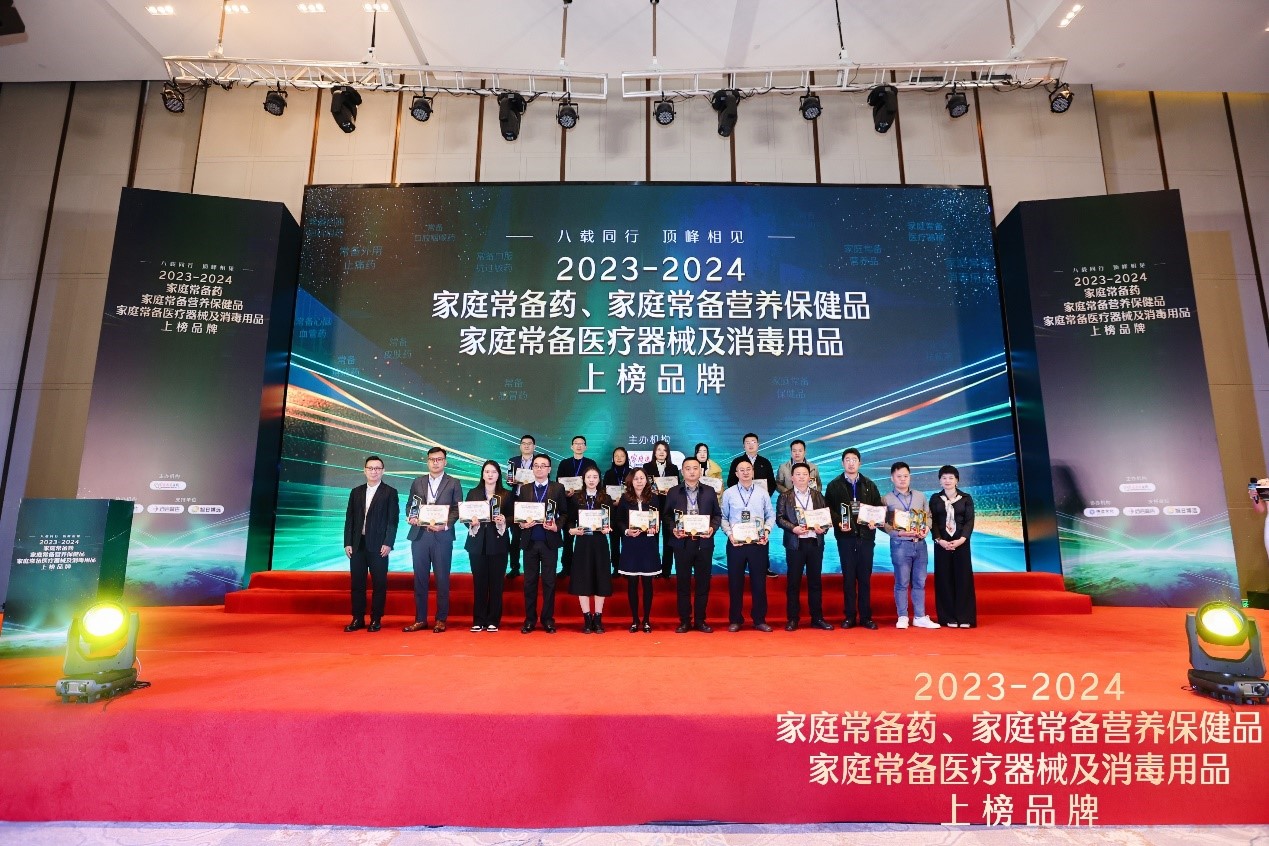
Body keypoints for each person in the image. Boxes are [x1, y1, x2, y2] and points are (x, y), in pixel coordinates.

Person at [824, 448, 884, 629]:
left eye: (854, 459)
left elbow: (878, 507)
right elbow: (828, 509)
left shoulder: (869, 484)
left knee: (865, 579)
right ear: (842, 463)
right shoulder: (834, 485)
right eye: (847, 460)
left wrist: (876, 521)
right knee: (849, 578)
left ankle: (866, 617)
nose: (851, 463)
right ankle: (849, 616)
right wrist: (838, 522)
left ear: (860, 463)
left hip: (866, 537)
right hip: (845, 538)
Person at [404, 447, 462, 633]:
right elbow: (411, 505)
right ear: (427, 461)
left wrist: (445, 525)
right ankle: (420, 619)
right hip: (420, 536)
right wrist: (412, 516)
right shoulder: (418, 482)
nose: (435, 462)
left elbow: (457, 508)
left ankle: (441, 619)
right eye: (432, 459)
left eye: (439, 459)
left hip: (442, 536)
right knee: (420, 579)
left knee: (442, 579)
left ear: (445, 461)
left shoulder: (454, 483)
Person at [342, 455, 399, 632]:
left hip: (379, 545)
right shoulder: (356, 492)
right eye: (370, 468)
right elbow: (349, 519)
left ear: (383, 471)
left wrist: (388, 543)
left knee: (379, 584)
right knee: (357, 584)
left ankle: (376, 619)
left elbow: (392, 521)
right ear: (364, 470)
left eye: (377, 468)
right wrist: (347, 542)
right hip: (357, 544)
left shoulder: (390, 492)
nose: (374, 471)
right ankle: (357, 618)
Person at [665, 456, 722, 633]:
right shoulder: (673, 492)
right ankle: (684, 621)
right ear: (682, 471)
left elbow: (717, 515)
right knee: (683, 584)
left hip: (704, 544)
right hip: (682, 544)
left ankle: (700, 620)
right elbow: (666, 516)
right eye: (688, 468)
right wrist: (673, 529)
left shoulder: (710, 491)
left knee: (703, 584)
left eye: (695, 468)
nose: (691, 471)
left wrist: (712, 528)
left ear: (701, 471)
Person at [881, 461, 939, 630]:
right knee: (902, 582)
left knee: (920, 581)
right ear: (892, 478)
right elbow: (883, 523)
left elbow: (928, 516)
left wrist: (927, 529)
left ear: (910, 477)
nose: (903, 479)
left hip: (920, 545)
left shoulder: (920, 496)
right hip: (900, 545)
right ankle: (903, 616)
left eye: (906, 476)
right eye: (899, 476)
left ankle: (919, 616)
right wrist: (898, 533)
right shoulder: (886, 499)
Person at [720, 457, 776, 632]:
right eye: (741, 470)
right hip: (736, 544)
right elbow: (723, 518)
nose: (745, 472)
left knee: (759, 583)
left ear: (753, 472)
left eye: (748, 469)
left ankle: (759, 619)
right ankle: (735, 619)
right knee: (735, 583)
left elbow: (770, 515)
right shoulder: (729, 493)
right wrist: (729, 534)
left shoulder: (762, 493)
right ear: (736, 474)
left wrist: (766, 531)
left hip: (758, 544)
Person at [775, 462, 832, 630]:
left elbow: (826, 518)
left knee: (815, 582)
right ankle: (793, 619)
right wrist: (793, 528)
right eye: (798, 474)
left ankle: (817, 618)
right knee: (794, 582)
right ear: (792, 478)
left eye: (804, 474)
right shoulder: (785, 496)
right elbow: (779, 518)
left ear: (810, 477)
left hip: (815, 543)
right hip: (795, 544)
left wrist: (824, 528)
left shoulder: (818, 495)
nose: (801, 477)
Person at [515, 455, 569, 634]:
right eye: (536, 466)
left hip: (549, 542)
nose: (539, 469)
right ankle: (530, 620)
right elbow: (519, 514)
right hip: (530, 541)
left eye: (543, 466)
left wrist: (556, 526)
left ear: (549, 469)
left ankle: (548, 619)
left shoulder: (557, 488)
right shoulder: (525, 489)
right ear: (532, 469)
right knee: (529, 583)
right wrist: (522, 524)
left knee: (549, 582)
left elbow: (564, 513)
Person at [463, 460, 512, 632]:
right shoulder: (473, 493)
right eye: (487, 471)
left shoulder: (506, 494)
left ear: (499, 475)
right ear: (482, 474)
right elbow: (465, 516)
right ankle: (478, 620)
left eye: (494, 472)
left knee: (496, 584)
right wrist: (471, 522)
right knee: (479, 583)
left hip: (498, 544)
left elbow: (513, 517)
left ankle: (493, 620)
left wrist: (504, 520)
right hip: (477, 544)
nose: (490, 475)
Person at [566, 467, 614, 633]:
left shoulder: (606, 498)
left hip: (600, 542)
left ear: (599, 479)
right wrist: (572, 530)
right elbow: (569, 520)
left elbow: (611, 520)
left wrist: (608, 528)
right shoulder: (576, 498)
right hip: (582, 543)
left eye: (595, 477)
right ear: (583, 479)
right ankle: (587, 618)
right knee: (583, 578)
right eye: (589, 477)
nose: (592, 480)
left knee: (601, 578)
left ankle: (598, 618)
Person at [613, 467, 661, 632]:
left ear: (647, 480)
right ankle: (635, 620)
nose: (639, 481)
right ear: (630, 481)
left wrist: (655, 528)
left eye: (642, 478)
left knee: (648, 584)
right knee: (632, 583)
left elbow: (657, 519)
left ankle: (646, 620)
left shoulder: (654, 498)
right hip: (631, 544)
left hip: (648, 544)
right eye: (636, 479)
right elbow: (619, 520)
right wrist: (627, 531)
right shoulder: (625, 498)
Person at [930, 465, 977, 628]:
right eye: (944, 478)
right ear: (940, 481)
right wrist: (939, 540)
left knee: (963, 579)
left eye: (951, 478)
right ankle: (947, 617)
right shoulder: (935, 499)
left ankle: (965, 617)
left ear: (957, 480)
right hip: (941, 544)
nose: (947, 481)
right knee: (944, 579)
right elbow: (932, 521)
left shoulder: (966, 498)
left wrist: (961, 540)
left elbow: (969, 521)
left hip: (961, 543)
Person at [557, 435, 600, 579]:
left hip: (587, 505)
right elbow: (558, 483)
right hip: (568, 504)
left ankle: (585, 567)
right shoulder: (564, 463)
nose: (579, 446)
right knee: (568, 536)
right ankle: (566, 567)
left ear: (585, 447)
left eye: (582, 444)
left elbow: (595, 482)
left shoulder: (591, 463)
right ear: (571, 446)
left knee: (587, 537)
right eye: (576, 443)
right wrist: (565, 492)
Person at [641, 440, 679, 578]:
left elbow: (678, 486)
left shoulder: (673, 468)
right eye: (659, 450)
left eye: (664, 450)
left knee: (669, 539)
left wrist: (671, 490)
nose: (661, 452)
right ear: (654, 452)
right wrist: (651, 490)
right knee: (653, 538)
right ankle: (654, 568)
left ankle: (666, 570)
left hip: (669, 507)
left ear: (667, 453)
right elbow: (643, 486)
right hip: (653, 506)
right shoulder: (647, 467)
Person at [505, 434, 541, 578]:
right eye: (524, 443)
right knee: (515, 537)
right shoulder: (512, 461)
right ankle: (514, 567)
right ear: (520, 446)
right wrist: (513, 481)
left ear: (534, 446)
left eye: (529, 443)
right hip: (516, 501)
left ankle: (533, 568)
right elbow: (508, 481)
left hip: (534, 502)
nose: (526, 445)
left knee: (534, 536)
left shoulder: (539, 461)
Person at [603, 447, 632, 574]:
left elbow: (635, 492)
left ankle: (626, 567)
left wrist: (624, 501)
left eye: (622, 456)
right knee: (614, 543)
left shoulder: (631, 473)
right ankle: (615, 567)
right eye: (616, 456)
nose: (619, 458)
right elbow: (604, 494)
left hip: (628, 513)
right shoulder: (608, 473)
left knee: (628, 542)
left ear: (626, 458)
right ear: (613, 458)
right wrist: (612, 502)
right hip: (613, 513)